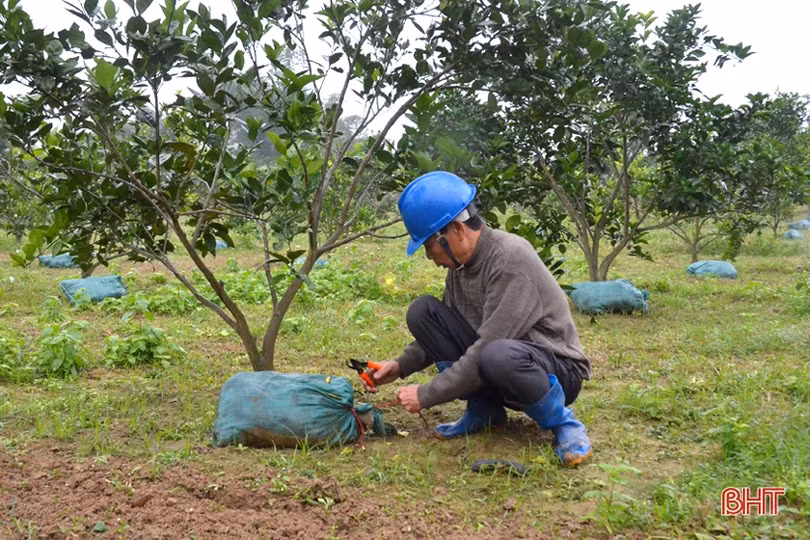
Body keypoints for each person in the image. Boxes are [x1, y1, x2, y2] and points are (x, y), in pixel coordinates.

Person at [365, 171, 592, 467]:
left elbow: (488, 346)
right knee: (423, 312)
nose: (430, 258)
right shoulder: (460, 267)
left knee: (496, 353)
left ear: (456, 230)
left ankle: (564, 424)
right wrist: (399, 365)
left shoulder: (510, 259)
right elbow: (449, 329)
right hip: (501, 360)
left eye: (428, 247)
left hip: (554, 370)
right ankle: (485, 410)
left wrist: (426, 394)